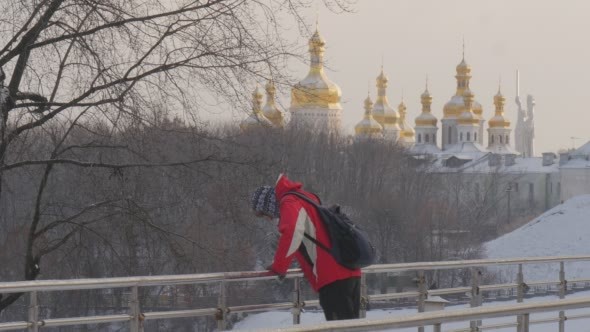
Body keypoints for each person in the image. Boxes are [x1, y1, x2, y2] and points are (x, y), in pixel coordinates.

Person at [250, 173, 362, 321]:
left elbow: (292, 231)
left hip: (333, 275)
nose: (269, 218)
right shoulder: (303, 197)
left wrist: (279, 266)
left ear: (269, 204)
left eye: (266, 213)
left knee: (341, 326)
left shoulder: (289, 201)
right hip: (348, 269)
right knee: (351, 326)